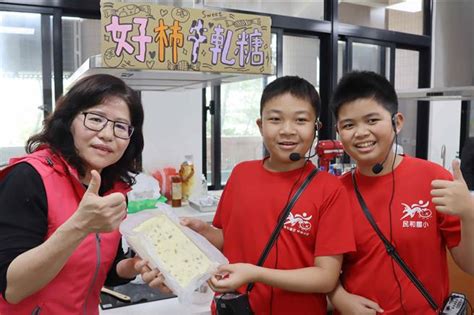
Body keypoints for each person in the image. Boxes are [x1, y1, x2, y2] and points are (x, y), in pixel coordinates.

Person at [138, 76, 356, 314]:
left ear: (316, 127)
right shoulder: (242, 174)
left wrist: (254, 273)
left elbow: (325, 277)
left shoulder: (330, 189)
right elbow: (226, 239)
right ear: (260, 125)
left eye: (301, 120)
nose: (287, 130)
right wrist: (204, 233)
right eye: (275, 119)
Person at [328, 71, 474, 314]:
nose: (361, 132)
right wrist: (340, 298)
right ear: (338, 132)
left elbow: (469, 265)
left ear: (397, 122)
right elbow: (324, 270)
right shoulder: (335, 194)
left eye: (372, 120)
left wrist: (469, 212)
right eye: (349, 125)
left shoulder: (433, 179)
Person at [0, 74, 148, 314]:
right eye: (96, 119)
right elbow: (12, 288)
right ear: (68, 121)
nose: (108, 134)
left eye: (120, 126)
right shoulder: (29, 177)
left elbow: (98, 268)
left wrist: (131, 267)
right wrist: (79, 226)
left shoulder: (111, 188)